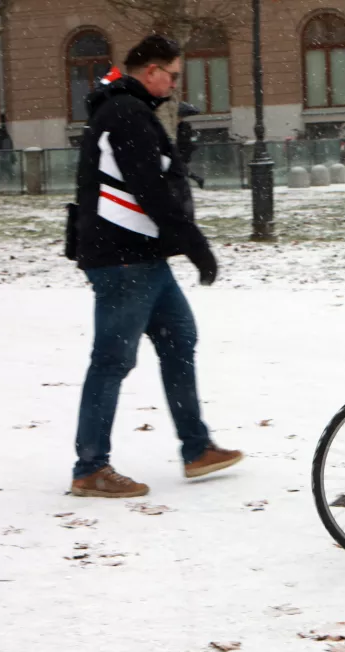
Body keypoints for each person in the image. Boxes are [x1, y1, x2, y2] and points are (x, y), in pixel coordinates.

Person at [68, 35, 241, 498]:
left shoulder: (133, 111)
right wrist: (196, 245)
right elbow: (151, 190)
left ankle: (196, 448)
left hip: (143, 259)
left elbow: (157, 176)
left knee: (179, 339)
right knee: (111, 361)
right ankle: (90, 468)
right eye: (173, 74)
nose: (175, 82)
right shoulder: (126, 114)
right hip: (123, 261)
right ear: (151, 72)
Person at [177, 101, 206, 189]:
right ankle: (196, 179)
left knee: (180, 168)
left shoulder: (183, 126)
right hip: (183, 150)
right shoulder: (183, 125)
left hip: (182, 150)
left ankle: (195, 179)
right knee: (181, 168)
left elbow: (184, 139)